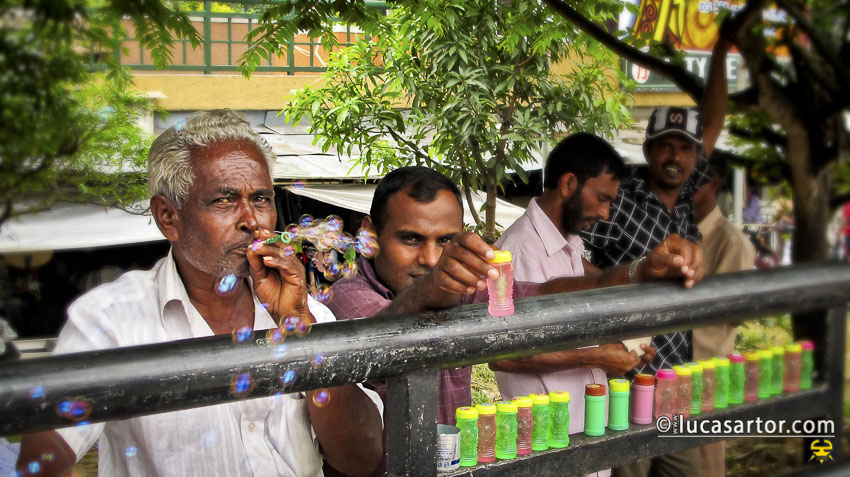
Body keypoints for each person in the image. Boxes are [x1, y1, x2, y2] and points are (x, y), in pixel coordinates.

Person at [16, 110, 383, 477]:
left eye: (260, 199)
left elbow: (362, 459)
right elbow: (42, 459)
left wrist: (300, 330)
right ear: (168, 218)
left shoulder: (307, 314)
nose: (251, 221)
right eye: (223, 200)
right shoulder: (111, 321)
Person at [329, 165, 703, 475]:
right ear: (370, 234)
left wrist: (640, 272)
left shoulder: (458, 288)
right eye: (411, 239)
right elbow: (384, 334)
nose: (430, 259)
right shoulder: (345, 297)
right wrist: (436, 287)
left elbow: (543, 293)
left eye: (445, 241)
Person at [490, 134, 699, 477]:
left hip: (582, 435)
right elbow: (503, 356)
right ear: (569, 183)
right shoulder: (518, 253)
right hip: (549, 443)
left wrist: (619, 347)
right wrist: (597, 356)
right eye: (601, 198)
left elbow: (587, 307)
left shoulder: (570, 245)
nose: (605, 213)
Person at [584, 35, 731, 477]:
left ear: (695, 158)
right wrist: (625, 282)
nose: (675, 155)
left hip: (677, 382)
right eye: (665, 145)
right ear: (648, 150)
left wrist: (722, 48)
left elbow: (715, 120)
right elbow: (576, 262)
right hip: (626, 381)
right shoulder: (621, 198)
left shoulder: (685, 197)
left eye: (685, 147)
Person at [691, 157, 755, 477]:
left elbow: (734, 315)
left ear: (714, 183)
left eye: (694, 180)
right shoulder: (672, 233)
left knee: (705, 465)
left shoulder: (732, 242)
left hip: (704, 381)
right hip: (664, 378)